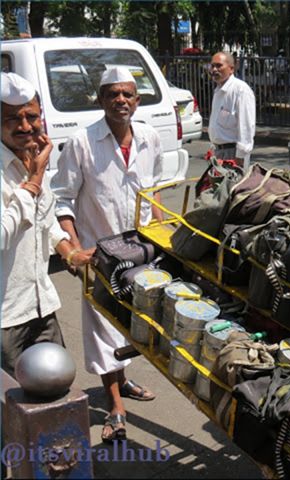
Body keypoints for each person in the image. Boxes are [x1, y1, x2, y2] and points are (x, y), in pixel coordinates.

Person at [52, 66, 163, 443]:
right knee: (102, 328)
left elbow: (154, 189)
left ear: (137, 100)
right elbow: (62, 199)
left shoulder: (149, 137)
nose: (121, 100)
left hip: (142, 251)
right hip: (100, 254)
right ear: (100, 100)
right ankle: (116, 406)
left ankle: (122, 380)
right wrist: (73, 245)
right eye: (113, 94)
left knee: (131, 323)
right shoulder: (82, 143)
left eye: (128, 94)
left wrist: (163, 231)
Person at [1, 72, 94, 376]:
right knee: (12, 411)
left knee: (58, 391)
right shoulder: (26, 170)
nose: (25, 126)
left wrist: (70, 253)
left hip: (41, 306)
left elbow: (45, 222)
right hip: (6, 318)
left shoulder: (30, 158)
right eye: (13, 118)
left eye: (31, 116)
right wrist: (34, 182)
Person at [207, 51, 256, 168]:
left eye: (219, 66)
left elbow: (246, 127)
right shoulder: (218, 90)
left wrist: (239, 157)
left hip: (233, 155)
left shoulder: (240, 90)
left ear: (231, 69)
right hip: (218, 153)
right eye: (212, 65)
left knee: (232, 186)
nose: (214, 69)